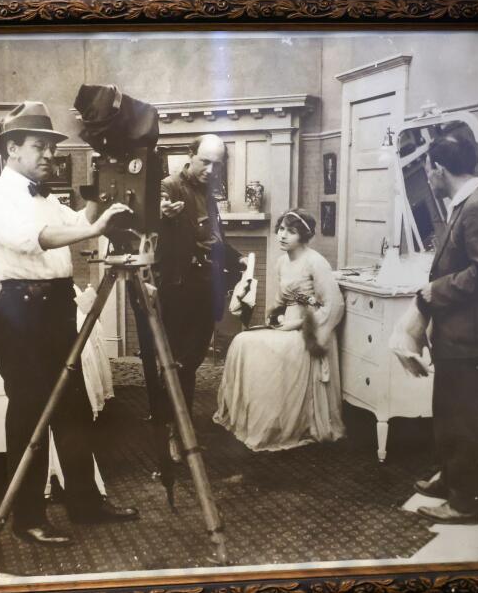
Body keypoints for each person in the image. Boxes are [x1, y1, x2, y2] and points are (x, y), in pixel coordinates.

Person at [0, 100, 139, 546]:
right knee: (30, 419)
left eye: (51, 147)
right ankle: (27, 517)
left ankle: (85, 505)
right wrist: (95, 228)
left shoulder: (46, 196)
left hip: (56, 312)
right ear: (12, 148)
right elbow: (38, 241)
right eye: (39, 146)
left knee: (74, 412)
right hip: (21, 315)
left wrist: (108, 196)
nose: (50, 154)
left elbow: (77, 221)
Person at [410, 134, 478, 525]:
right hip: (457, 331)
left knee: (463, 418)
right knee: (448, 411)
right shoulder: (467, 202)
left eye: (427, 170)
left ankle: (465, 502)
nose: (427, 177)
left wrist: (436, 290)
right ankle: (451, 478)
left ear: (438, 169)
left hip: (469, 333)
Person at [213, 209, 346, 451]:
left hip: (310, 330)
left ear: (303, 235)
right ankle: (257, 417)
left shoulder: (315, 261)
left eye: (291, 231)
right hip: (288, 324)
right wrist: (273, 315)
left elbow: (334, 305)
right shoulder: (282, 262)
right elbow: (280, 301)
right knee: (243, 342)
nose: (283, 235)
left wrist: (299, 324)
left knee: (261, 348)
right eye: (281, 229)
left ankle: (279, 422)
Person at [146, 134, 231, 417]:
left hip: (204, 287)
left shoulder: (208, 192)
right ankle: (172, 430)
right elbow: (154, 210)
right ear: (190, 155)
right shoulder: (169, 186)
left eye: (216, 165)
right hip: (179, 289)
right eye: (205, 162)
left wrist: (239, 259)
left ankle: (177, 426)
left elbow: (212, 237)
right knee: (178, 361)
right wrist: (163, 213)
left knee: (191, 360)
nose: (210, 170)